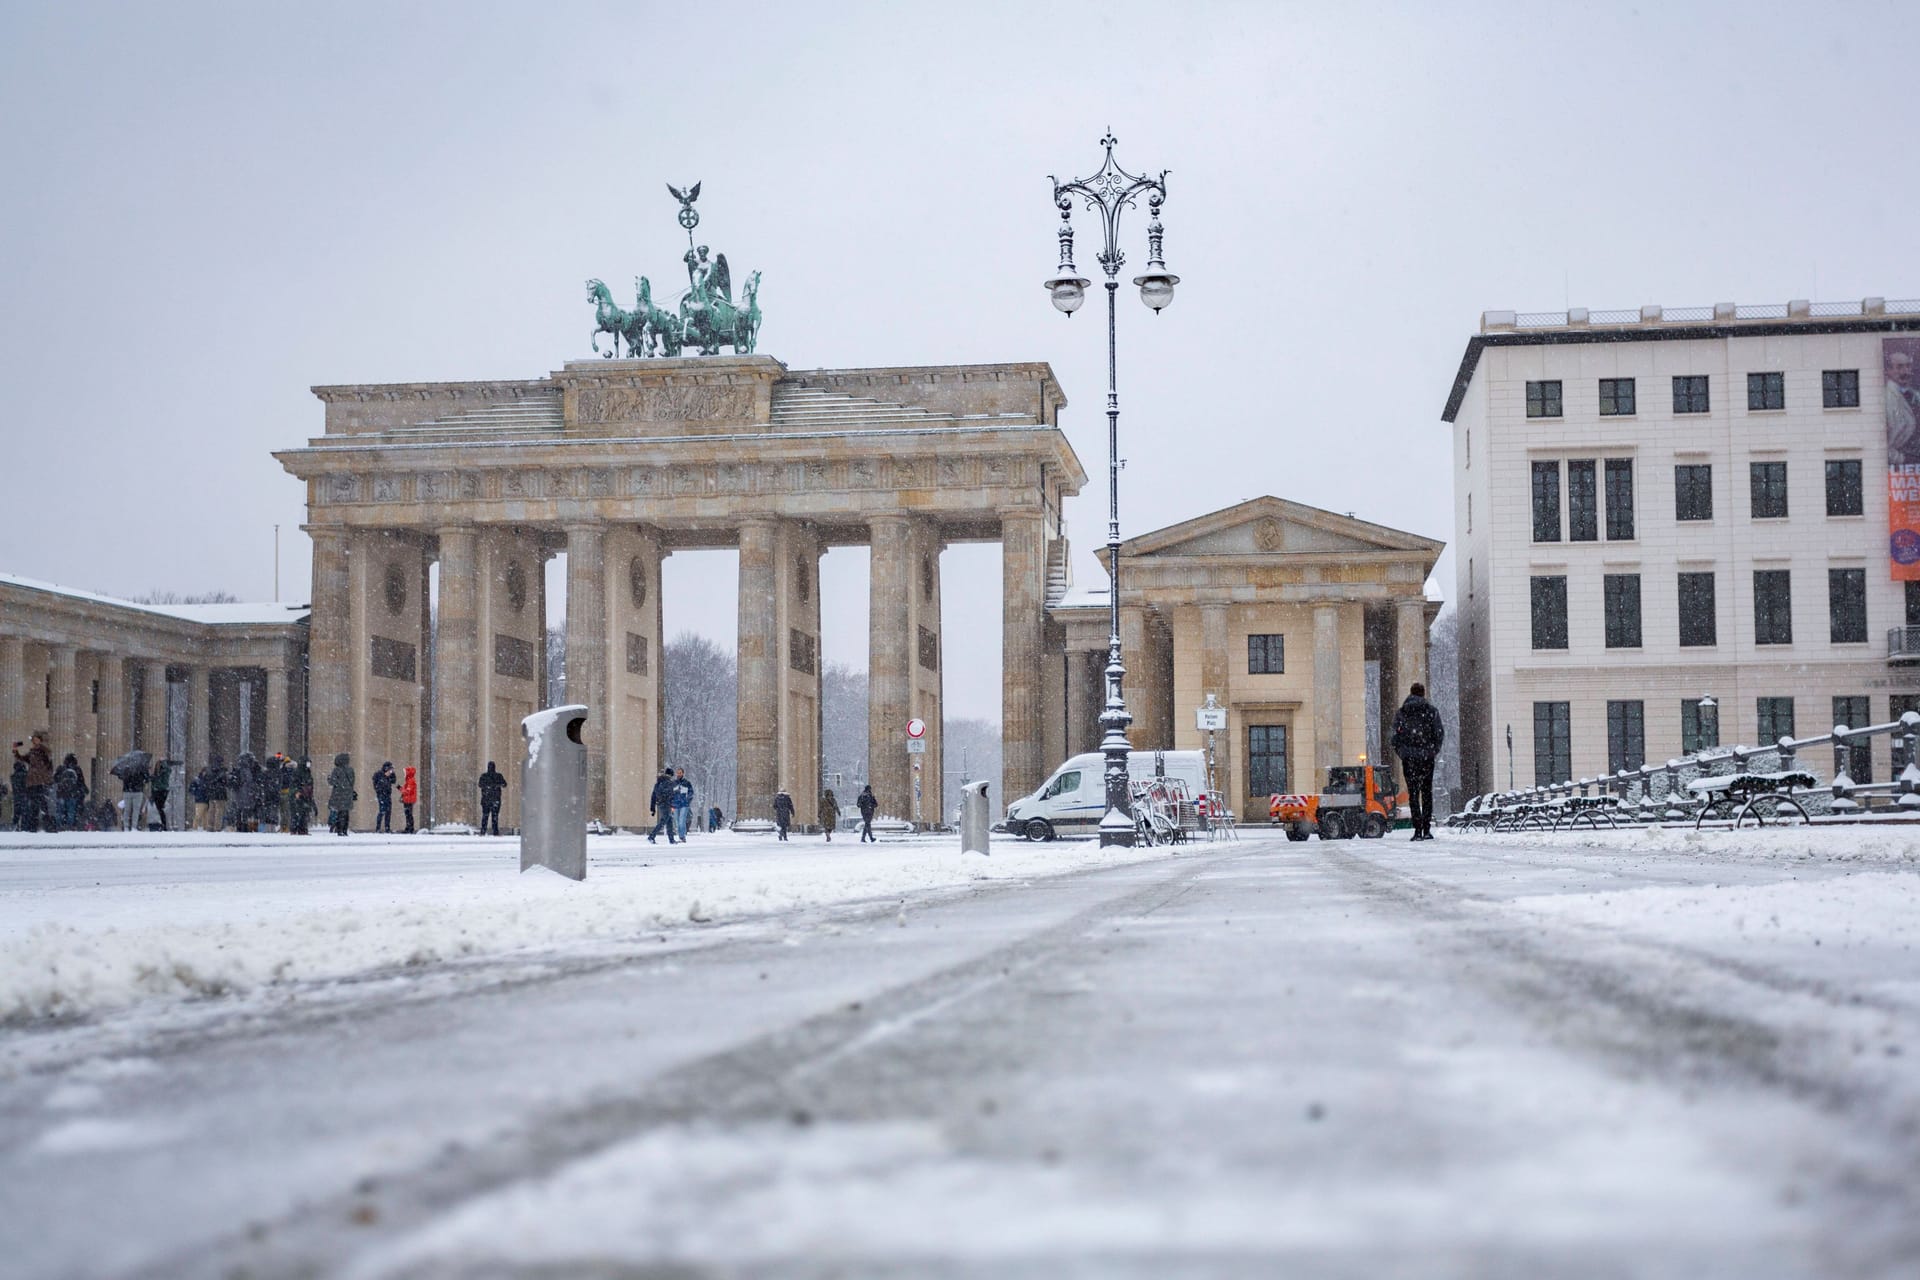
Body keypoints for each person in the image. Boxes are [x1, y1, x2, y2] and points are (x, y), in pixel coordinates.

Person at [1391, 681, 1445, 841]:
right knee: (1427, 793)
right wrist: (1432, 751)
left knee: (1413, 794)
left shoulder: (1402, 712)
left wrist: (1403, 753)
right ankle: (1427, 829)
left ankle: (1417, 830)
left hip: (1410, 759)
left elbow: (1394, 737)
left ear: (1410, 693)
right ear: (1423, 693)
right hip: (1426, 757)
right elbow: (1439, 733)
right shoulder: (1431, 711)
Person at [1889, 346, 1920, 466]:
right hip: (1905, 459)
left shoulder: (1915, 395)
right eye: (1900, 367)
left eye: (1908, 366)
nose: (1905, 371)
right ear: (1889, 370)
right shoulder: (1886, 397)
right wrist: (1902, 459)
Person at [18, 732, 54, 832]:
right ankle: (34, 826)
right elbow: (24, 759)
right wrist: (16, 752)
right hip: (32, 781)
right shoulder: (33, 752)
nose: (34, 741)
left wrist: (47, 778)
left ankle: (46, 825)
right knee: (35, 804)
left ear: (39, 740)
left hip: (40, 780)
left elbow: (49, 764)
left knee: (42, 803)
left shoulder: (43, 751)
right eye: (33, 739)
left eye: (36, 739)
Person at [54, 752, 88, 831]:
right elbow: (81, 782)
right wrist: (84, 790)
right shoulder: (77, 769)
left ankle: (59, 826)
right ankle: (70, 826)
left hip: (61, 793)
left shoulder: (61, 768)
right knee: (71, 811)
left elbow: (55, 779)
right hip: (73, 794)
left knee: (60, 811)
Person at [117, 753, 150, 831]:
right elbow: (147, 779)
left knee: (127, 810)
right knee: (136, 810)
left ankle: (126, 827)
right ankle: (134, 827)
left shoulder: (126, 767)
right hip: (138, 791)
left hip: (127, 791)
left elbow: (120, 776)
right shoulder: (142, 767)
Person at [326, 752, 356, 836]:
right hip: (348, 794)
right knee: (346, 813)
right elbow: (352, 782)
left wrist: (329, 779)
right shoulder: (351, 770)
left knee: (340, 813)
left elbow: (333, 782)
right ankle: (345, 830)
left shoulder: (336, 770)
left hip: (338, 794)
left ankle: (339, 830)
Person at [646, 767, 678, 843]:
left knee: (669, 821)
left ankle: (671, 839)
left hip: (660, 804)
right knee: (663, 821)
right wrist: (675, 794)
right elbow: (671, 794)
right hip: (666, 804)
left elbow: (653, 796)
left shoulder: (658, 783)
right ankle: (651, 836)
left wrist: (652, 808)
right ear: (670, 775)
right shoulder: (669, 783)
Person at [478, 761, 506, 836]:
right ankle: (494, 832)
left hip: (487, 799)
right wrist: (496, 786)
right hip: (494, 799)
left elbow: (480, 784)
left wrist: (488, 787)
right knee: (494, 817)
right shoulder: (498, 776)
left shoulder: (484, 776)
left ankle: (483, 831)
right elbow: (504, 784)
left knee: (486, 816)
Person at [291, 757, 314, 835]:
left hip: (306, 795)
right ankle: (295, 829)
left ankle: (303, 829)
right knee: (297, 813)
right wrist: (298, 791)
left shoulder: (307, 772)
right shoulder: (298, 772)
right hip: (300, 795)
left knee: (304, 813)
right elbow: (294, 783)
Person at [371, 761, 397, 833]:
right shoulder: (379, 774)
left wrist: (391, 775)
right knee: (382, 811)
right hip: (381, 795)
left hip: (388, 794)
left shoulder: (391, 775)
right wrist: (385, 776)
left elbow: (394, 781)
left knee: (388, 812)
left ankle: (387, 828)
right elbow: (378, 785)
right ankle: (378, 828)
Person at [671, 767, 695, 841]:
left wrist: (687, 800)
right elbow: (670, 794)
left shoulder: (687, 783)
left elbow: (691, 792)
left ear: (683, 773)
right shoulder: (673, 783)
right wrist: (671, 803)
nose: (679, 774)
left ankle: (682, 836)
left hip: (684, 805)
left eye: (680, 773)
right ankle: (681, 836)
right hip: (675, 805)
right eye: (678, 773)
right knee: (677, 822)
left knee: (682, 821)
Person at [149, 758, 171, 831]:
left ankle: (163, 825)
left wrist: (163, 762)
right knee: (160, 808)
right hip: (158, 791)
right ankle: (163, 825)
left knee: (160, 808)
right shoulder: (157, 774)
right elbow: (152, 782)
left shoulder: (164, 772)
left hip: (161, 791)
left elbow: (168, 770)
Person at [400, 765, 418, 833]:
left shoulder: (410, 780)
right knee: (408, 814)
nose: (404, 774)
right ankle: (409, 828)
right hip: (408, 800)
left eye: (405, 772)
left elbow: (408, 791)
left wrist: (400, 788)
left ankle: (410, 828)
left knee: (408, 814)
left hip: (409, 800)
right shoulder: (409, 780)